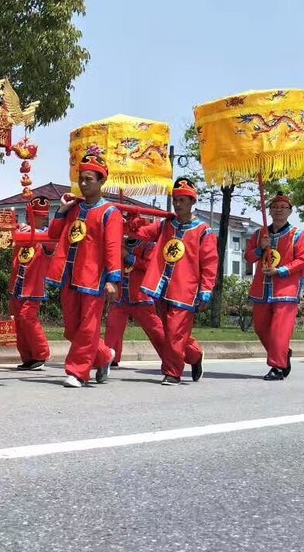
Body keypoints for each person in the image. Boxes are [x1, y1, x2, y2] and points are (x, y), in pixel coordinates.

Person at [47, 154, 123, 387]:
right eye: (81, 178)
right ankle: (104, 355)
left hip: (94, 278)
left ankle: (77, 372)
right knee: (73, 329)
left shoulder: (110, 212)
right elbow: (53, 235)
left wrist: (113, 279)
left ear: (101, 181)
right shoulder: (73, 208)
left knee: (88, 327)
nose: (83, 183)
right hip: (68, 275)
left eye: (88, 179)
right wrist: (61, 210)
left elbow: (112, 247)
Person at [135, 178, 218, 385]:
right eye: (175, 200)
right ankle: (194, 355)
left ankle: (172, 372)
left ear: (192, 202)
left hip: (185, 290)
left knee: (174, 332)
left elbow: (209, 263)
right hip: (161, 286)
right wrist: (133, 223)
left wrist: (206, 290)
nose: (178, 204)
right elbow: (141, 233)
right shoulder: (165, 225)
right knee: (173, 332)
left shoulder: (203, 231)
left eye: (182, 200)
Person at [244, 195, 304, 380]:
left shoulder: (298, 235)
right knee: (260, 328)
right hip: (261, 289)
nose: (279, 210)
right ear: (269, 211)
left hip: (286, 290)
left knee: (279, 331)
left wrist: (280, 271)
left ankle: (277, 367)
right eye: (275, 206)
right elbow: (248, 257)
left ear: (290, 211)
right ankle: (282, 353)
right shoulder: (259, 234)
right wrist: (260, 248)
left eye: (283, 207)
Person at [103, 234, 166, 367]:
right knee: (113, 328)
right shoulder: (118, 243)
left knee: (156, 331)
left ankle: (170, 357)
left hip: (140, 298)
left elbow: (151, 266)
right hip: (120, 296)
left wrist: (129, 257)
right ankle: (109, 357)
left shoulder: (148, 245)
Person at [10, 196, 54, 370]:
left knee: (28, 317)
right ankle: (28, 357)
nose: (31, 219)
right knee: (19, 322)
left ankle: (41, 354)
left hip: (33, 287)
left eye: (38, 216)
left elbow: (51, 243)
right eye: (31, 215)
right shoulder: (22, 232)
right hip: (17, 285)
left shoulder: (47, 236)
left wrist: (34, 232)